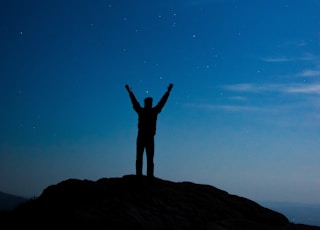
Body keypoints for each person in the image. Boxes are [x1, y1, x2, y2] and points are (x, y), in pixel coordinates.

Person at [125, 83, 173, 178]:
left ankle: (145, 175)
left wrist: (168, 92)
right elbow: (161, 103)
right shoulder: (149, 111)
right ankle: (144, 175)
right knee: (143, 157)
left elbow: (161, 102)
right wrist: (130, 92)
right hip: (144, 136)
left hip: (146, 137)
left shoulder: (147, 111)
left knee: (146, 157)